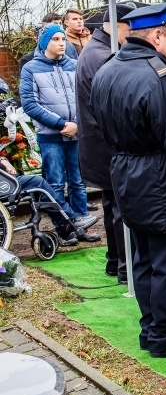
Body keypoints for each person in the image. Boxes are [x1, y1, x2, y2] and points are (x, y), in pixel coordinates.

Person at [91, 2, 166, 358]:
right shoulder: (159, 76)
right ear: (157, 35)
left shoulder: (108, 70)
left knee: (144, 258)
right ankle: (164, 335)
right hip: (164, 180)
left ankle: (152, 327)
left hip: (128, 174)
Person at [19, 24, 99, 242]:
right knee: (54, 183)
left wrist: (78, 124)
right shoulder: (31, 68)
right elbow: (30, 104)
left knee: (78, 182)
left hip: (76, 134)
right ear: (45, 43)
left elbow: (87, 97)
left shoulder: (75, 65)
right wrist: (61, 124)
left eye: (63, 39)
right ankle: (64, 228)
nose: (61, 43)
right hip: (51, 137)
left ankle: (82, 225)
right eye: (55, 39)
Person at [76, 2, 136, 279]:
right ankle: (126, 267)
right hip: (107, 144)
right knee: (121, 208)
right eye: (129, 28)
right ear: (116, 25)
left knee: (112, 204)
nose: (131, 34)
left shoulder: (94, 49)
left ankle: (115, 261)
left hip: (97, 143)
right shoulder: (105, 56)